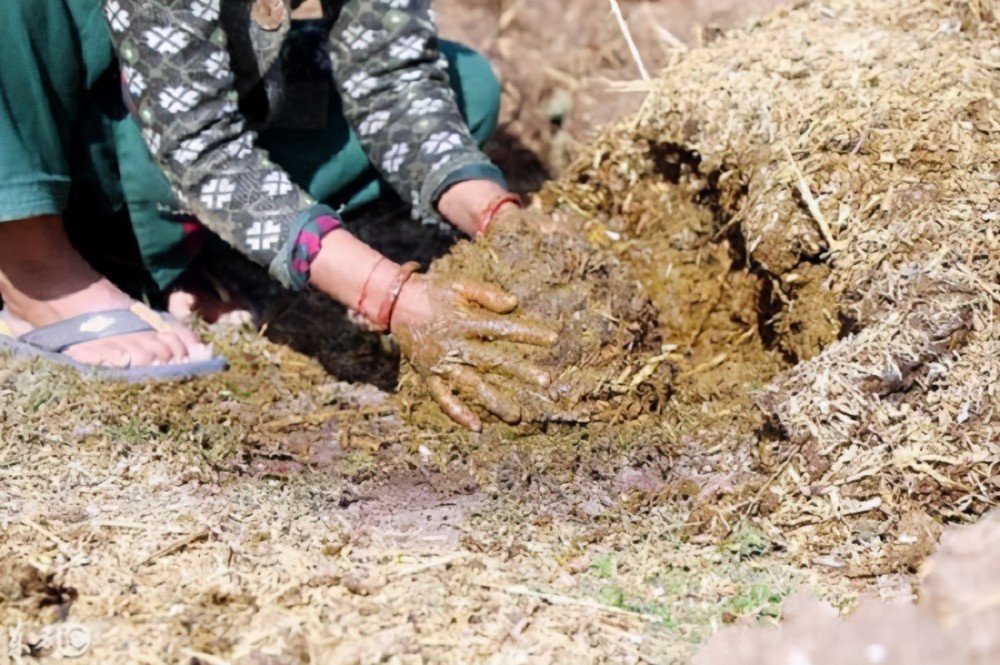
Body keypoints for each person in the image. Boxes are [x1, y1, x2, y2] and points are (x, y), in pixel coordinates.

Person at [0, 0, 558, 431]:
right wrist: (394, 299)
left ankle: (186, 246)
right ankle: (32, 264)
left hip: (169, 112)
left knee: (467, 87)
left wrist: (500, 220)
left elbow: (393, 76)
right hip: (63, 116)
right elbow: (202, 144)